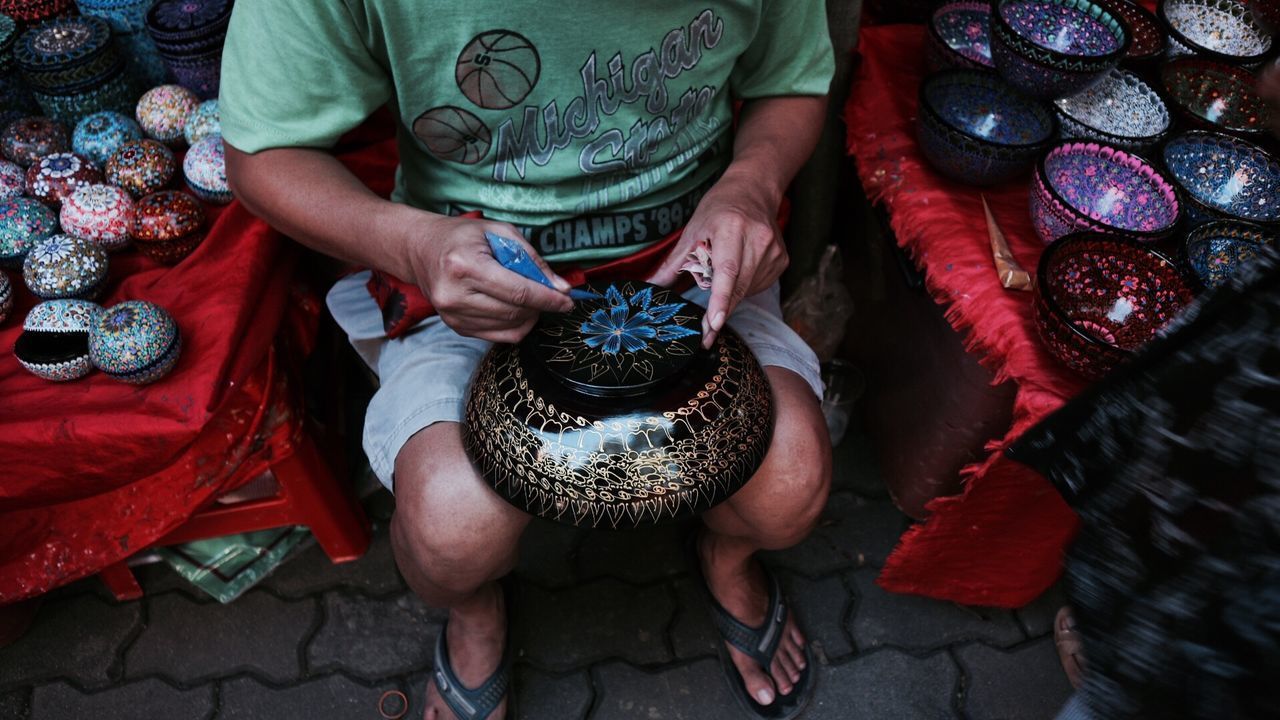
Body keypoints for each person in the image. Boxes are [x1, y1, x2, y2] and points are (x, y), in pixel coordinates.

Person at [220, 3, 835, 718]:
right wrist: (414, 246)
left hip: (692, 261)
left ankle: (726, 558)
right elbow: (262, 157)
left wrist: (750, 187)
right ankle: (474, 611)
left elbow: (791, 78)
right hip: (467, 273)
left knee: (789, 480)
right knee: (453, 523)